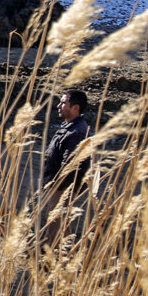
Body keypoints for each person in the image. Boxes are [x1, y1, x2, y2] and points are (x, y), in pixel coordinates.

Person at [38, 89, 91, 246]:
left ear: (75, 108)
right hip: (57, 184)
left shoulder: (78, 131)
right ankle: (60, 252)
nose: (59, 105)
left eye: (63, 102)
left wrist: (59, 186)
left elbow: (72, 163)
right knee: (58, 221)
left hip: (63, 186)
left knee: (56, 221)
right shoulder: (69, 127)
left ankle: (51, 254)